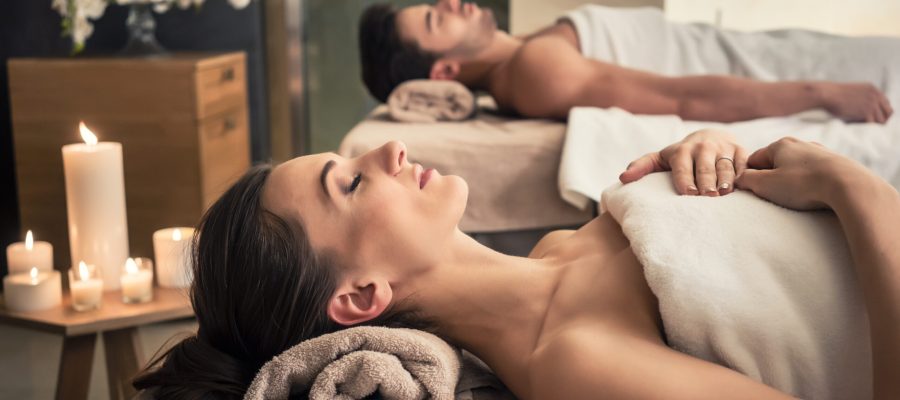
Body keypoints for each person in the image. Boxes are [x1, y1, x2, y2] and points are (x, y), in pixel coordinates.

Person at [132, 128, 899, 398]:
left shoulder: (559, 249)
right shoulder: (574, 362)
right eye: (355, 181)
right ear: (362, 296)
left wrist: (712, 157)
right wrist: (853, 189)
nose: (391, 150)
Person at [358, 0, 895, 123]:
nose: (452, 3)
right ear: (445, 72)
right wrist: (822, 94)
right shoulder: (535, 73)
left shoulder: (527, 49)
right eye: (437, 20)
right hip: (798, 79)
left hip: (780, 53)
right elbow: (681, 99)